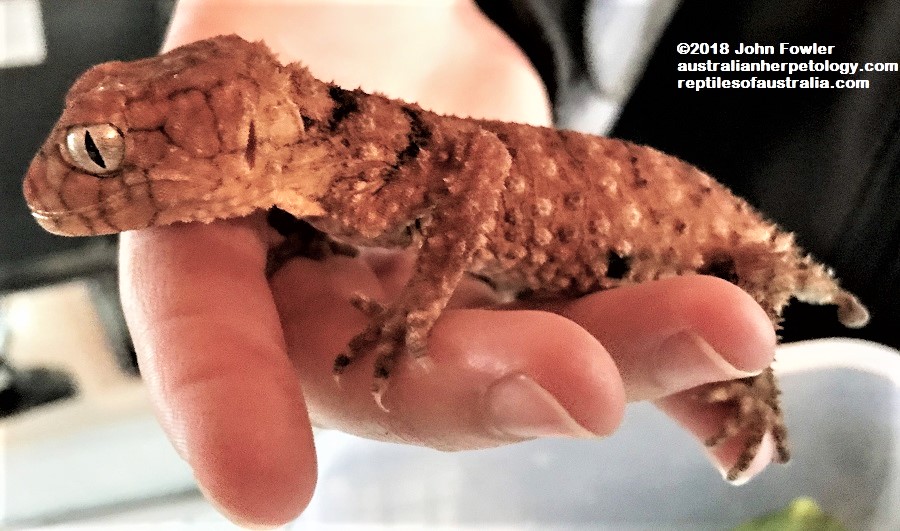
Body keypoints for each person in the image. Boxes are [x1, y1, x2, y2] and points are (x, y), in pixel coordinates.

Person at [122, 0, 781, 526]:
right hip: (592, 155)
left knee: (727, 337)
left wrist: (420, 302)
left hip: (685, 225)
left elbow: (478, 163)